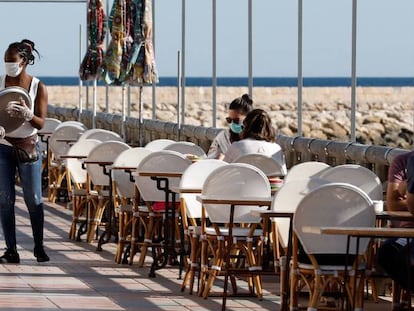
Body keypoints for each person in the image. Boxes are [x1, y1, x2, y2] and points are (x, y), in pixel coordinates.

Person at [0, 39, 49, 263]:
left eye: (12, 61)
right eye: (6, 61)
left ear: (24, 62)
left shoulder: (38, 87)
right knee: (4, 199)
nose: (9, 65)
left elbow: (40, 123)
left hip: (28, 146)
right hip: (3, 146)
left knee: (34, 198)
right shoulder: (0, 84)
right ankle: (11, 249)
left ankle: (38, 246)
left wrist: (29, 115)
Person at [377, 151, 414, 308]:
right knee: (390, 251)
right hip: (406, 230)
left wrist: (404, 192)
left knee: (390, 253)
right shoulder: (404, 161)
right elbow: (393, 205)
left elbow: (407, 203)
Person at [223, 108, 286, 173]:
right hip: (269, 183)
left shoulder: (237, 146)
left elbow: (223, 171)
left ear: (246, 126)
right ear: (269, 128)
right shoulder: (276, 148)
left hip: (244, 182)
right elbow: (282, 173)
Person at [207, 93, 253, 160]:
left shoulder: (257, 139)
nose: (232, 124)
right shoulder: (223, 137)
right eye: (229, 120)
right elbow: (210, 159)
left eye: (236, 121)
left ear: (248, 119)